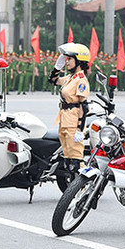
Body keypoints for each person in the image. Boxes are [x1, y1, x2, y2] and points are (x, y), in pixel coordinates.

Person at [48, 43, 90, 176]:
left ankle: (82, 188)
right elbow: (53, 80)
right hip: (64, 119)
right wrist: (57, 67)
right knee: (67, 158)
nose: (67, 62)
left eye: (69, 59)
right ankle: (71, 189)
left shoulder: (81, 80)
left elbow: (84, 106)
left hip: (73, 122)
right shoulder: (70, 78)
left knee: (76, 159)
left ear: (79, 61)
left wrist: (79, 128)